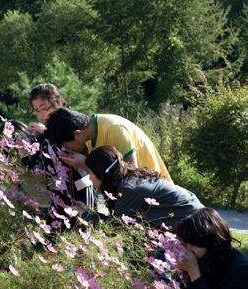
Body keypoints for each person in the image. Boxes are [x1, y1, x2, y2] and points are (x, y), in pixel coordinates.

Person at [67, 146, 201, 228]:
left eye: (90, 173)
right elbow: (119, 222)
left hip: (190, 220)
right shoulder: (127, 180)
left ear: (102, 174)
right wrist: (89, 212)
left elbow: (115, 229)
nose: (89, 178)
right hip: (187, 213)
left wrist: (84, 215)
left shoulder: (128, 189)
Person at [45, 107, 173, 182]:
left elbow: (131, 171)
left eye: (65, 144)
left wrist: (87, 163)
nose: (66, 148)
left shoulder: (113, 128)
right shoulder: (89, 138)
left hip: (156, 192)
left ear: (78, 134)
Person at [26, 84, 95, 222]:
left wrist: (47, 131)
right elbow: (32, 164)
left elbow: (84, 155)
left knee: (85, 226)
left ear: (57, 102)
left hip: (82, 184)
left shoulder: (70, 121)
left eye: (44, 108)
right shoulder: (41, 133)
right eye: (36, 110)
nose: (41, 115)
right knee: (55, 233)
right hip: (58, 190)